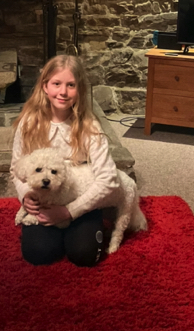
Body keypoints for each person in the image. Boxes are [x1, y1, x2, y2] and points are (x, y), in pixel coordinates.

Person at [10, 54, 120, 266]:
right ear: (45, 86)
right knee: (38, 253)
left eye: (71, 85)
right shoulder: (29, 123)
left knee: (84, 255)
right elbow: (16, 168)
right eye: (56, 84)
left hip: (80, 199)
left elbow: (109, 180)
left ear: (79, 90)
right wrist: (25, 196)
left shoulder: (90, 127)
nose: (63, 92)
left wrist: (68, 211)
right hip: (44, 200)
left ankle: (83, 229)